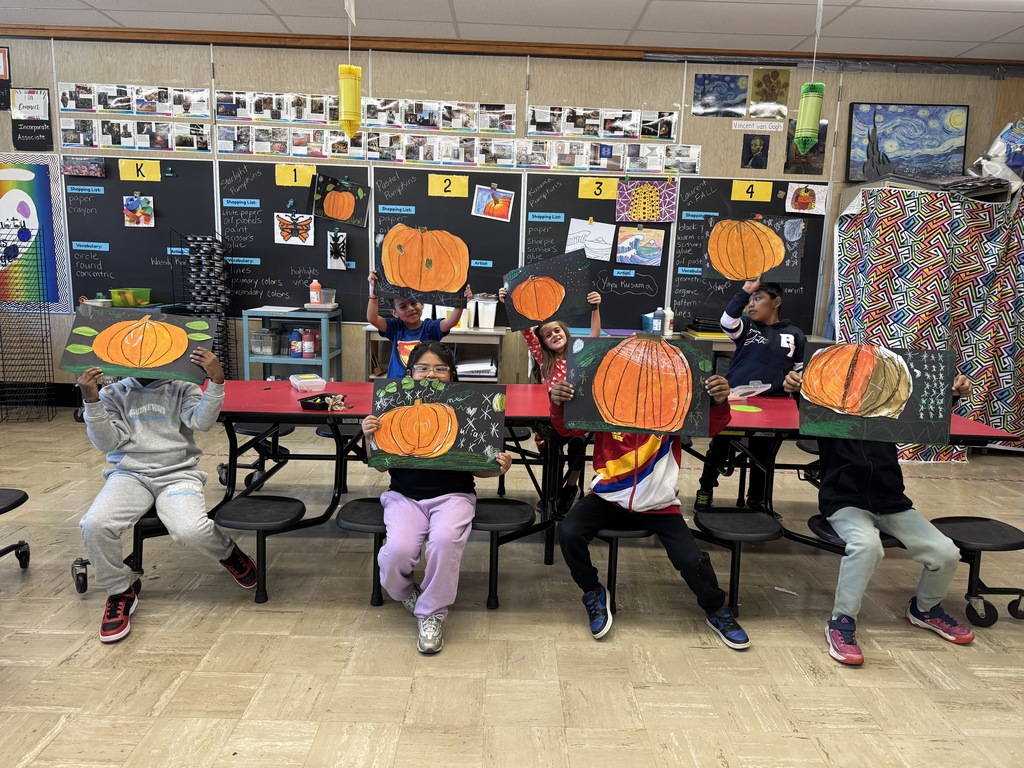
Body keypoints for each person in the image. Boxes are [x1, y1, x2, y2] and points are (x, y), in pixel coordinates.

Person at [783, 368, 975, 666]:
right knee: (867, 547)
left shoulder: (889, 414)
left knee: (946, 552)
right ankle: (841, 621)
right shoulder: (828, 415)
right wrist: (795, 386)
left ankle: (925, 610)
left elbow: (925, 408)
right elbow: (805, 396)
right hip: (845, 502)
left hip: (892, 503)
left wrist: (950, 392)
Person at [549, 373, 751, 650]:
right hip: (608, 497)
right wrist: (558, 403)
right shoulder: (604, 401)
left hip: (659, 503)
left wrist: (718, 401)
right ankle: (593, 591)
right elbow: (566, 428)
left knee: (692, 560)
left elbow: (713, 425)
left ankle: (716, 608)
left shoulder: (673, 407)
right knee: (569, 532)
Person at [76, 349, 257, 644]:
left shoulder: (181, 388)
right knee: (94, 524)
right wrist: (92, 400)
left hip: (177, 473)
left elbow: (202, 423)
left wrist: (217, 381)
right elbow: (107, 442)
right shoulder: (113, 393)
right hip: (129, 475)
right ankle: (120, 591)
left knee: (190, 530)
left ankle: (229, 553)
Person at [361, 342, 512, 654]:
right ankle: (406, 593)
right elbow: (378, 465)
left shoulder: (462, 408)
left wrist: (497, 467)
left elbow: (480, 471)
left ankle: (431, 614)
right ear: (411, 373)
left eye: (440, 368)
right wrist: (369, 438)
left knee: (444, 543)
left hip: (454, 497)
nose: (432, 374)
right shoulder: (391, 408)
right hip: (404, 497)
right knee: (397, 553)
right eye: (424, 368)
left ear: (451, 374)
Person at [695, 279, 805, 513]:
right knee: (719, 445)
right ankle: (705, 489)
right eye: (749, 301)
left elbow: (799, 371)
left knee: (762, 453)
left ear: (776, 302)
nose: (750, 305)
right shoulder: (746, 326)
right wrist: (745, 291)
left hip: (774, 404)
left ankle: (757, 500)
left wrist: (796, 383)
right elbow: (727, 321)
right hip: (735, 400)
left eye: (758, 299)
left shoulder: (794, 334)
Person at [498, 286, 602, 514]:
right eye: (548, 334)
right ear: (542, 343)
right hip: (550, 421)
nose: (554, 335)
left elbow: (595, 337)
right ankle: (551, 495)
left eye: (558, 331)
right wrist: (509, 303)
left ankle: (570, 488)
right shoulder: (544, 360)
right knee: (553, 453)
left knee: (578, 446)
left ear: (566, 332)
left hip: (574, 421)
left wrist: (595, 308)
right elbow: (527, 331)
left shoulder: (580, 354)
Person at [367, 270, 472, 378]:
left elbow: (451, 322)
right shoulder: (395, 328)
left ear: (422, 304)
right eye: (403, 307)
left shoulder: (430, 328)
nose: (411, 308)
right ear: (395, 313)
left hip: (423, 383)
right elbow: (372, 318)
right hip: (396, 385)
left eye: (414, 303)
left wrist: (461, 302)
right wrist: (375, 293)